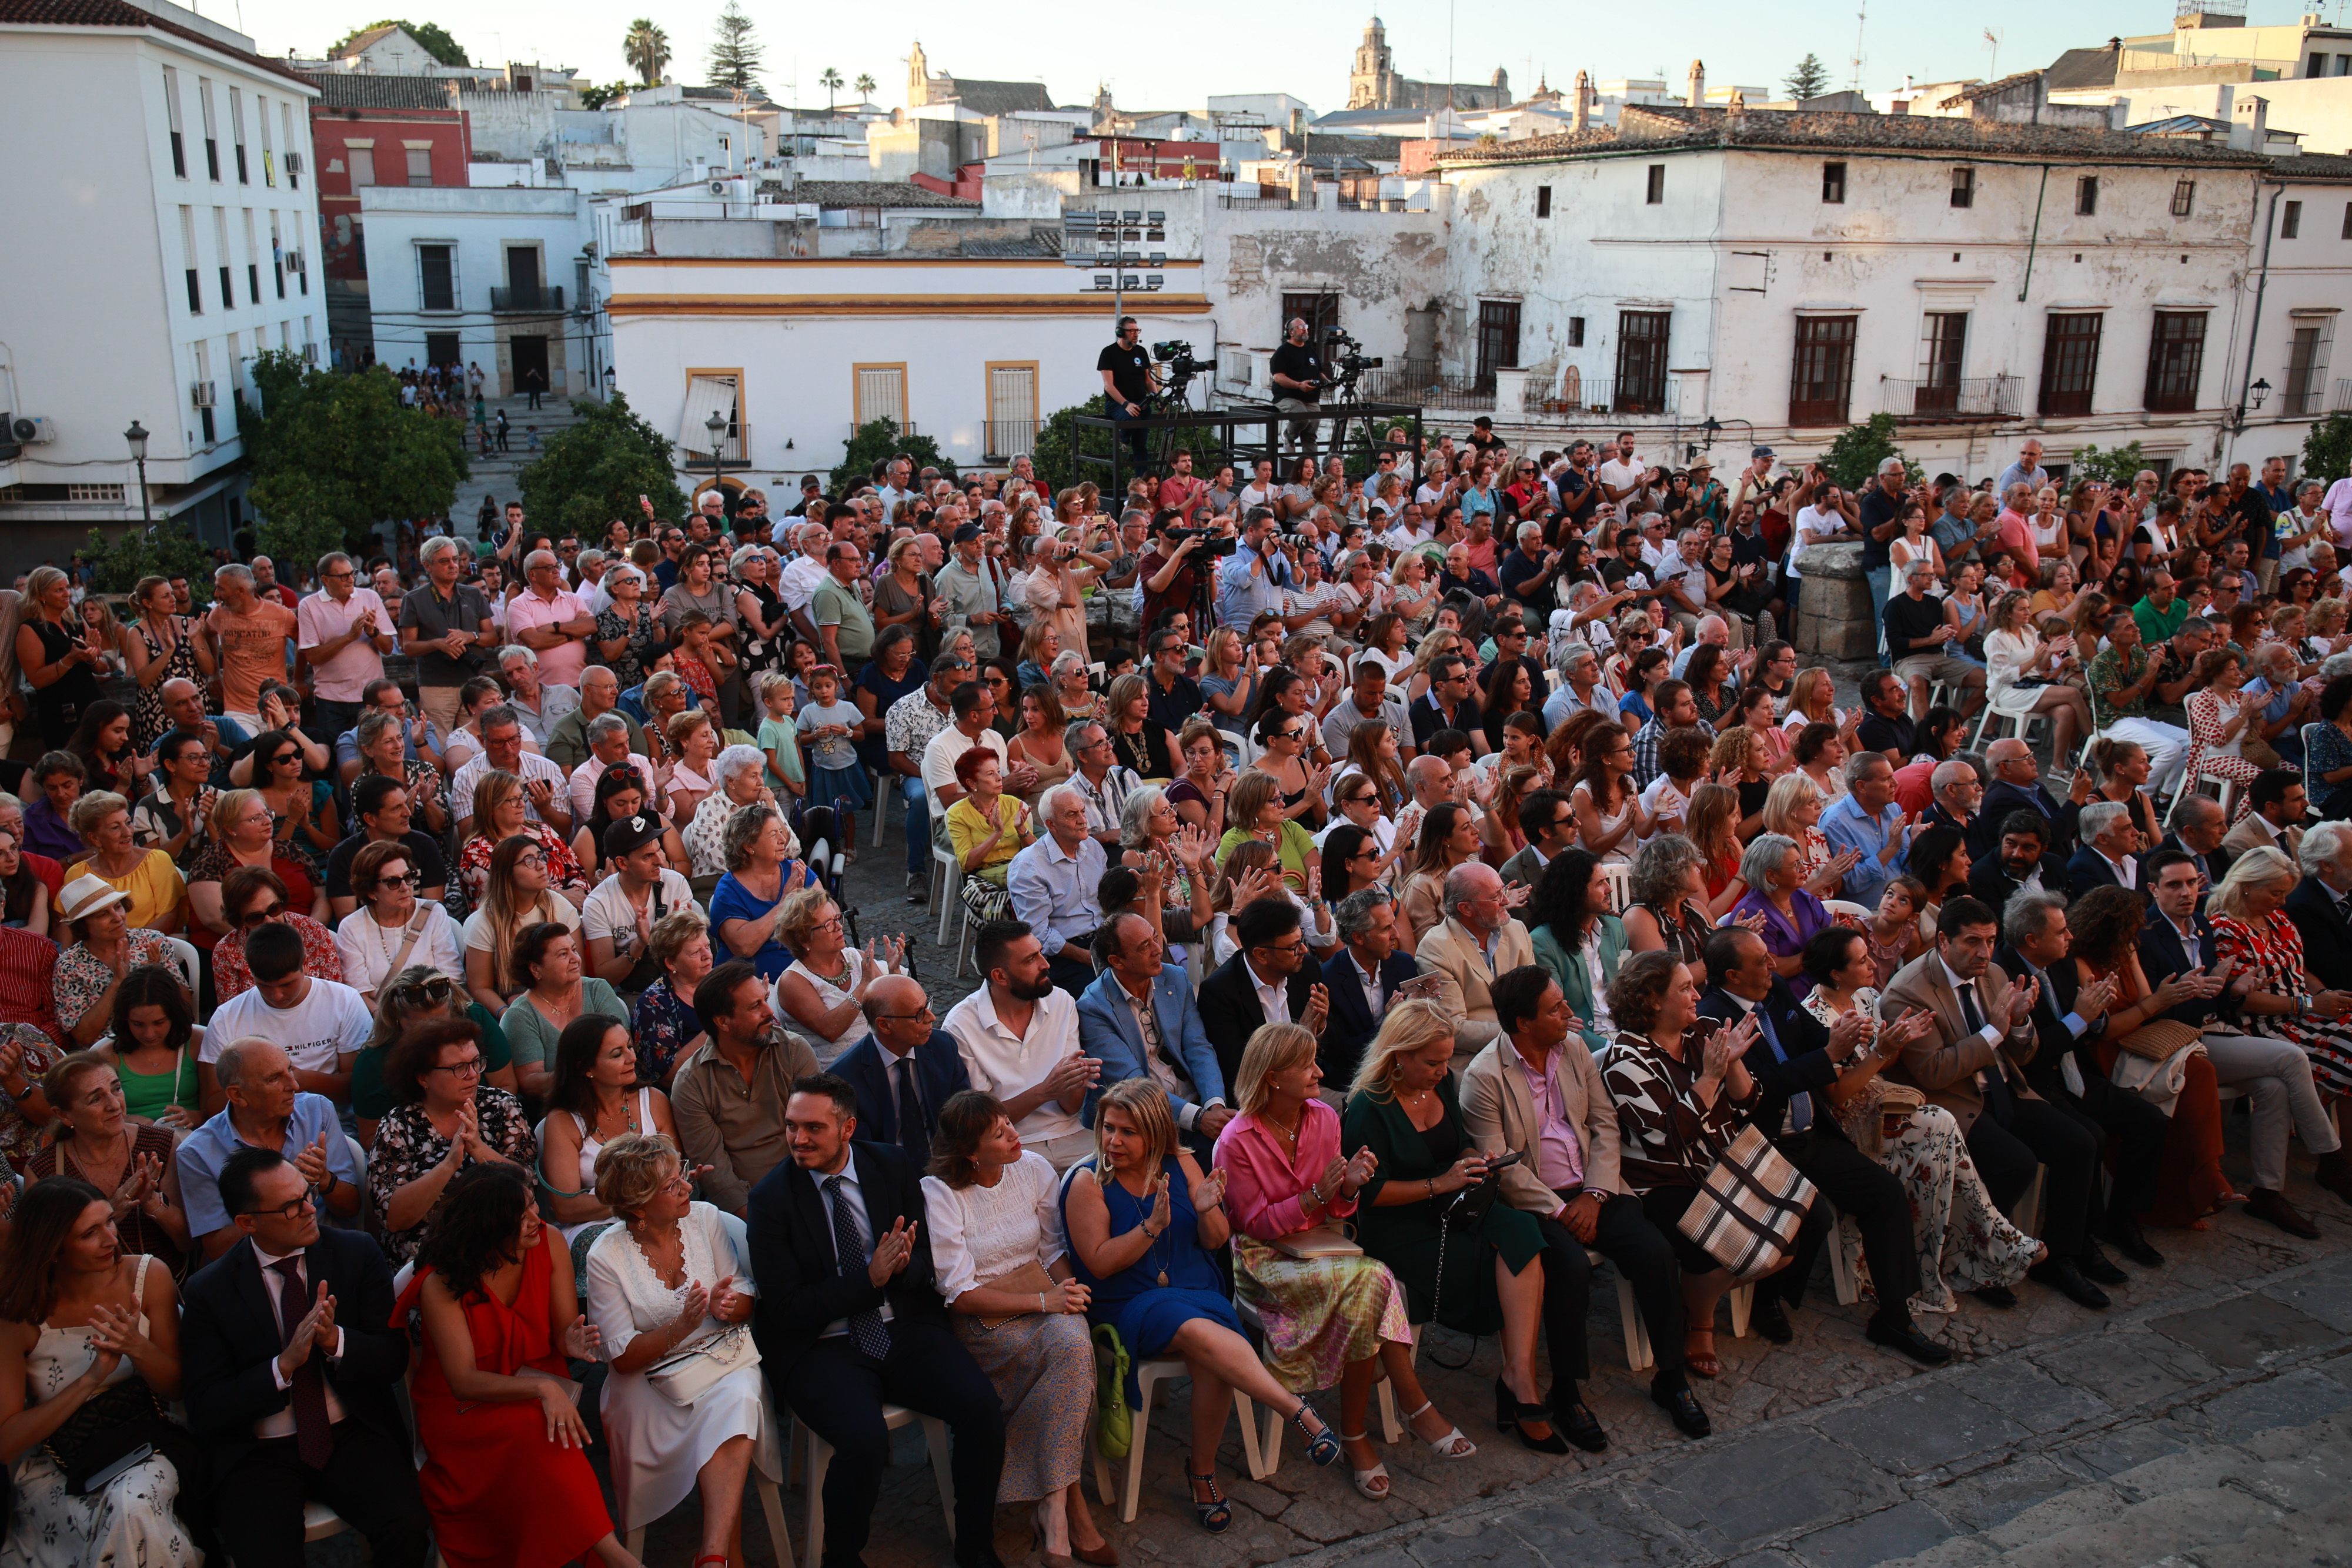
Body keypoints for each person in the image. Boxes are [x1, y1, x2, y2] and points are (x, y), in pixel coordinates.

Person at [743, 1075, 1013, 1568]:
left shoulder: (890, 1165)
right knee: (863, 1440)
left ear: (847, 1128)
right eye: (791, 1127)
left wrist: (907, 1266)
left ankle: (975, 1544)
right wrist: (869, 1278)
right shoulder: (770, 1200)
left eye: (813, 1128)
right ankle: (841, 1556)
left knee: (981, 1409)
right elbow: (785, 1310)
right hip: (820, 1345)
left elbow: (927, 1263)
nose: (798, 1139)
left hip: (900, 1324)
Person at [1213, 1020, 1471, 1502]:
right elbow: (1255, 1225)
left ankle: (1357, 1431)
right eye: (1306, 1064)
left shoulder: (1323, 1119)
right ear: (1273, 1076)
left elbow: (1339, 1209)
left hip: (1325, 1246)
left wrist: (1349, 1185)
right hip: (1263, 1262)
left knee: (1369, 1287)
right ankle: (1404, 1408)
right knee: (1376, 1280)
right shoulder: (1236, 1139)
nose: (1319, 1071)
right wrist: (1315, 1195)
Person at [1464, 965, 1708, 1437]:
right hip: (1536, 1202)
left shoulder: (1574, 1049)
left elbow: (1604, 1124)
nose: (1569, 1013)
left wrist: (1595, 1194)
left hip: (1594, 1189)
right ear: (1522, 1023)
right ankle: (1568, 1392)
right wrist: (1560, 1209)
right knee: (1570, 1268)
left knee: (1656, 1252)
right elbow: (1502, 1167)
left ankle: (1672, 1378)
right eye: (1555, 1008)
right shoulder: (1484, 1077)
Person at [1697, 928, 1954, 1360]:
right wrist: (1828, 1055)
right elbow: (1762, 1087)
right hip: (1763, 1144)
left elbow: (1815, 1039)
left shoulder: (1773, 989)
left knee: (1885, 1193)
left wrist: (1869, 1042)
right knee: (1812, 1217)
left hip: (1810, 1132)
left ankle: (1894, 1315)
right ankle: (1768, 1299)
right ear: (1731, 976)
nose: (1774, 965)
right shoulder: (1712, 1018)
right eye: (1760, 961)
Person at [177, 1144, 430, 1568]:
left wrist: (335, 1342)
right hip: (258, 1451)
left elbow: (391, 1357)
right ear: (247, 1222)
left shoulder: (355, 1253)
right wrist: (283, 1367)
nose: (311, 1208)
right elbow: (206, 1406)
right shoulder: (209, 1292)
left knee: (406, 1529)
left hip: (350, 1432)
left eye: (307, 1193)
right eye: (292, 1206)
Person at [1339, 1002, 1564, 1450]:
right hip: (1402, 1227)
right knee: (1489, 1259)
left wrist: (1472, 1162)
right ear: (1400, 1056)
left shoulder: (1443, 1088)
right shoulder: (1370, 1106)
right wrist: (1439, 1182)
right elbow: (1369, 1194)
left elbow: (1458, 1142)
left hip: (1456, 1205)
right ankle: (1514, 1381)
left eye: (1446, 1059)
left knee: (1523, 1232)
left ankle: (1520, 1375)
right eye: (1433, 1061)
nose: (1444, 1070)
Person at [1880, 898, 2122, 1310]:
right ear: (1942, 939)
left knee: (2082, 1142)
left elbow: (2023, 1055)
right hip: (1957, 1101)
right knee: (2016, 1162)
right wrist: (1995, 1030)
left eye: (1991, 941)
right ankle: (1984, 1258)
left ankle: (2062, 1255)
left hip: (2007, 1089)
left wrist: (2022, 1024)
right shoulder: (1909, 992)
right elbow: (1934, 1072)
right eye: (1972, 942)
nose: (1985, 952)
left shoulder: (1993, 973)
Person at [391, 1162, 634, 1568]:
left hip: (537, 1381)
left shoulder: (550, 1241)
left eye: (532, 1205)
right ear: (488, 1226)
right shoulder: (442, 1281)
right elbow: (463, 1380)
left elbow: (559, 1331)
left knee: (544, 1431)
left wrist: (569, 1342)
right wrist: (543, 1389)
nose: (537, 1218)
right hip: (464, 1411)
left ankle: (613, 1558)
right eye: (520, 1216)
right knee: (543, 1429)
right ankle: (617, 1559)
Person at [918, 1091, 1112, 1566]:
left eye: (1009, 1122)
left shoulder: (1035, 1170)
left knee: (1073, 1342)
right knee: (1068, 1357)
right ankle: (1069, 1507)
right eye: (999, 1132)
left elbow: (1050, 1250)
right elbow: (959, 1292)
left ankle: (1055, 1511)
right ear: (970, 1152)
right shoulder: (940, 1192)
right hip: (985, 1322)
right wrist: (1044, 1301)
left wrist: (1071, 1295)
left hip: (1041, 1302)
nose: (1013, 1134)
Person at [582, 1132, 780, 1559]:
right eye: (673, 1186)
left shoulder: (705, 1218)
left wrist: (728, 1305)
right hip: (647, 1384)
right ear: (638, 1206)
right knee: (730, 1409)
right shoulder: (605, 1255)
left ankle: (712, 1555)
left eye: (682, 1175)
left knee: (738, 1396)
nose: (688, 1187)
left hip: (720, 1357)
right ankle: (727, 1557)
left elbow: (744, 1293)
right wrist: (682, 1325)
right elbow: (621, 1358)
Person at [0, 1178, 201, 1568]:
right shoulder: (20, 1314)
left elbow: (177, 1388)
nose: (111, 1238)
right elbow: (6, 1442)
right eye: (91, 1233)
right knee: (99, 1518)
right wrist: (90, 1379)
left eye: (110, 1222)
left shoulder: (146, 1276)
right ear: (53, 1248)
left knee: (131, 1507)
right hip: (63, 1460)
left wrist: (136, 1347)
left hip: (146, 1444)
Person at [1596, 951, 1773, 1376]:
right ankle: (1702, 1323)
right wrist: (1709, 1076)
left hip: (1723, 1165)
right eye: (1685, 988)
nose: (1698, 995)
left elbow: (1749, 1102)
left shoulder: (1706, 1031)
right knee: (1725, 1250)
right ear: (1653, 1000)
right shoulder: (1624, 1060)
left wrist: (1730, 1065)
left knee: (1795, 1232)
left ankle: (1693, 1299)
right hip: (1664, 1181)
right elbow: (1668, 1136)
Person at [366, 1019, 536, 1268]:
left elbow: (528, 1188)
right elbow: (394, 1219)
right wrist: (448, 1165)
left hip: (502, 1245)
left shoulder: (502, 1107)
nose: (474, 1074)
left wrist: (478, 1148)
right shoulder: (398, 1125)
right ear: (423, 1077)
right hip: (427, 1256)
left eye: (477, 1062)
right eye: (459, 1067)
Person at [175, 1041, 362, 1259]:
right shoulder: (198, 1152)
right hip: (254, 1268)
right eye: (274, 1079)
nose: (294, 1085)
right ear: (237, 1095)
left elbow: (352, 1209)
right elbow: (217, 1248)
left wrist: (325, 1180)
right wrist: (275, 1204)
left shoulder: (317, 1111)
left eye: (290, 1069)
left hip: (324, 1252)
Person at [670, 962, 821, 1216]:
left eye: (765, 1000)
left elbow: (818, 1130)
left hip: (811, 1186)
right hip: (746, 1207)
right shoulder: (691, 1083)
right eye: (755, 1006)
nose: (769, 1012)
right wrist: (758, 1222)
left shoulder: (794, 1051)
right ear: (723, 1022)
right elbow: (715, 1171)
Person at [25, 1052, 191, 1276]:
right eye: (96, 1099)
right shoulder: (45, 1169)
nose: (115, 1105)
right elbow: (43, 1260)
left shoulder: (160, 1143)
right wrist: (113, 1210)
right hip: (85, 1292)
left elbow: (187, 1244)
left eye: (117, 1089)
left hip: (167, 1285)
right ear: (63, 1115)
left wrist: (153, 1204)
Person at [539, 1016, 680, 1245]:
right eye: (617, 1054)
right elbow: (566, 1207)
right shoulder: (563, 1121)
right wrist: (643, 1200)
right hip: (595, 1229)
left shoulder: (654, 1101)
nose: (632, 1058)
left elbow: (676, 1175)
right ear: (585, 1068)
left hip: (660, 1215)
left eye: (630, 1047)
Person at [202, 922, 372, 1112]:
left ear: (306, 965)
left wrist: (303, 1080)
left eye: (287, 985)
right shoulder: (226, 1017)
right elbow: (214, 1102)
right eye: (265, 986)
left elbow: (360, 1088)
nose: (277, 996)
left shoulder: (345, 1001)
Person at [830, 972, 972, 1164]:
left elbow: (964, 1111)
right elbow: (862, 1153)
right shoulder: (844, 1078)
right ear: (885, 1025)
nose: (932, 1017)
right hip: (888, 1173)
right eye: (919, 1014)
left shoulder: (942, 1047)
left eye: (927, 1005)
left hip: (947, 1161)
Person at [1412, 862, 1538, 1065]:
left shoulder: (1517, 930)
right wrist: (1522, 1030)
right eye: (1496, 896)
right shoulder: (1435, 949)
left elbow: (1535, 996)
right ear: (1466, 908)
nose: (1507, 900)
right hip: (1475, 1061)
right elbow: (1454, 1028)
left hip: (1530, 1047)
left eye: (1504, 890)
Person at [500, 922, 629, 1102]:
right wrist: (586, 1073)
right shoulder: (520, 1016)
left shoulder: (598, 989)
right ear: (536, 969)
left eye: (574, 950)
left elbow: (625, 1050)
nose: (575, 959)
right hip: (560, 1105)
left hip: (617, 1096)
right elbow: (530, 1083)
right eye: (563, 954)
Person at [333, 841, 463, 1008]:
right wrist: (390, 1023)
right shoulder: (352, 927)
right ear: (371, 891)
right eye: (393, 882)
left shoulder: (434, 913)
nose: (405, 888)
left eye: (408, 877)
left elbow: (452, 978)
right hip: (382, 1019)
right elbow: (359, 995)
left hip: (435, 1010)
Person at [709, 803, 820, 984]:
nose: (783, 839)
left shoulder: (796, 870)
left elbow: (830, 915)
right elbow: (744, 947)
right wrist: (785, 903)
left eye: (781, 832)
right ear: (749, 846)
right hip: (750, 986)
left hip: (805, 975)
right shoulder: (729, 891)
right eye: (773, 834)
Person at [93, 964, 204, 1130]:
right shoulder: (108, 1055)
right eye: (138, 1024)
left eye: (159, 1023)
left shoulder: (197, 1042)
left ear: (174, 1016)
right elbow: (95, 1114)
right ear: (125, 1020)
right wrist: (126, 1120)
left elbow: (219, 1105)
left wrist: (194, 1117)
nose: (149, 1034)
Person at [67, 791, 185, 935]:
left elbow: (170, 916)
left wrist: (131, 944)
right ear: (95, 838)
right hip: (99, 952)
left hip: (150, 948)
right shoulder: (78, 874)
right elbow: (72, 927)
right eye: (115, 827)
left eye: (128, 823)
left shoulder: (157, 861)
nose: (128, 833)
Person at [633, 909, 715, 1091]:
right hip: (688, 1092)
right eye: (695, 952)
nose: (707, 956)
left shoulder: (724, 984)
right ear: (671, 963)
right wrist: (716, 1026)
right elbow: (667, 1076)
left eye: (707, 946)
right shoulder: (653, 1003)